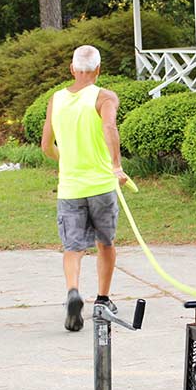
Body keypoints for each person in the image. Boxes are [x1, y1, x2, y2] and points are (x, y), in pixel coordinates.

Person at [41, 45, 130, 332]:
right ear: (98, 70)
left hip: (70, 188)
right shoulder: (105, 97)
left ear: (72, 69)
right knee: (105, 243)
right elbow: (109, 129)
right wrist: (116, 165)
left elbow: (45, 147)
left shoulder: (55, 100)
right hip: (102, 185)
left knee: (73, 247)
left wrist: (64, 159)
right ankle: (102, 300)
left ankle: (73, 291)